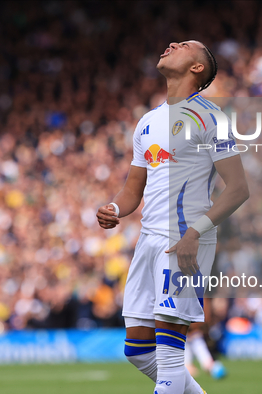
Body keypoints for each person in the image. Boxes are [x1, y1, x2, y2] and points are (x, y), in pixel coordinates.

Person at [97, 40, 249, 394]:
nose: (170, 45)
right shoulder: (148, 122)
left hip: (184, 239)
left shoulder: (212, 118)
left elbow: (238, 188)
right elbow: (133, 188)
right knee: (136, 350)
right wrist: (115, 209)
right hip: (148, 240)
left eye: (182, 46)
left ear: (197, 68)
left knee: (168, 361)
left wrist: (195, 233)